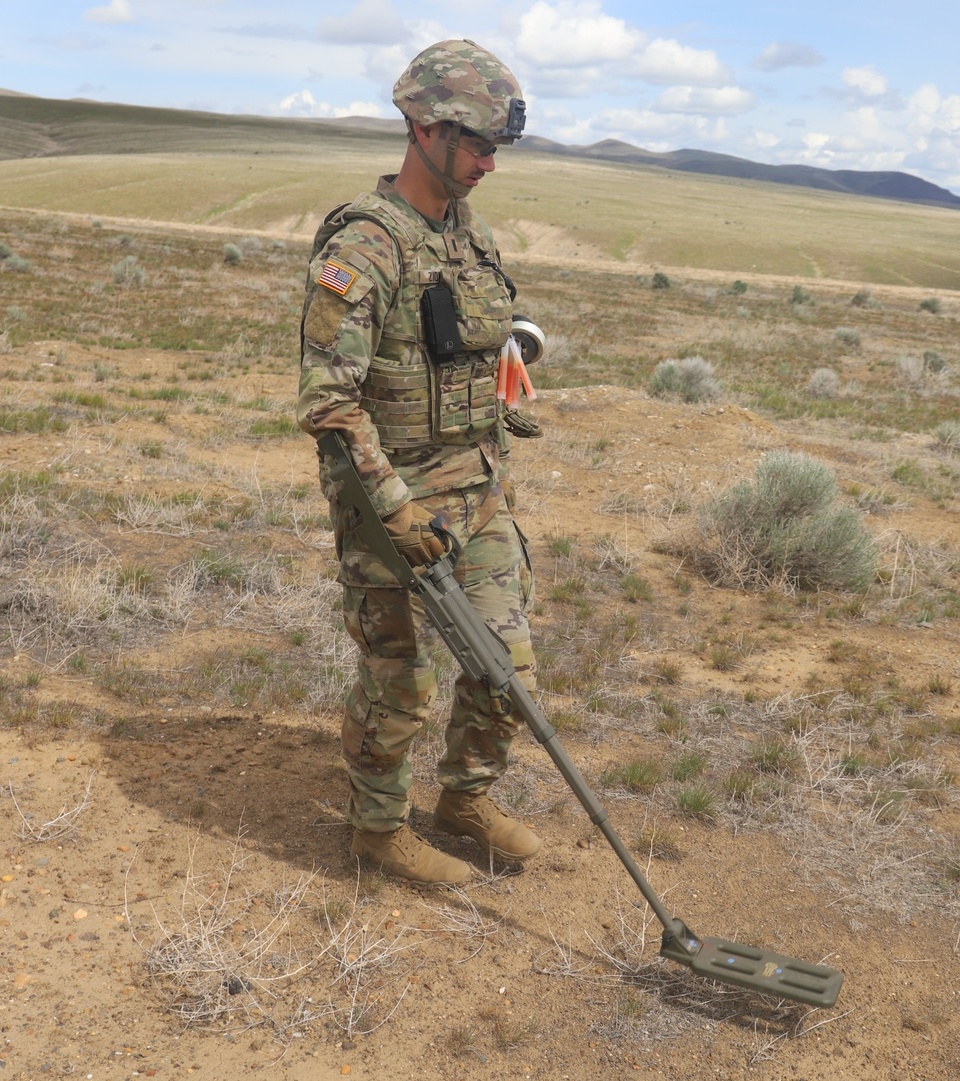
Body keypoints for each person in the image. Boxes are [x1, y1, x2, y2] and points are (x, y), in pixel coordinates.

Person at [297, 39, 539, 886]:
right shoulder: (366, 244)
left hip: (475, 488)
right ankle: (377, 830)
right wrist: (394, 507)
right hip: (388, 503)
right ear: (423, 127)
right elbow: (329, 401)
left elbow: (468, 344)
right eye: (475, 144)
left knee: (507, 671)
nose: (486, 164)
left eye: (494, 148)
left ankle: (464, 802)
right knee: (399, 678)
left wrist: (498, 391)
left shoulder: (464, 233)